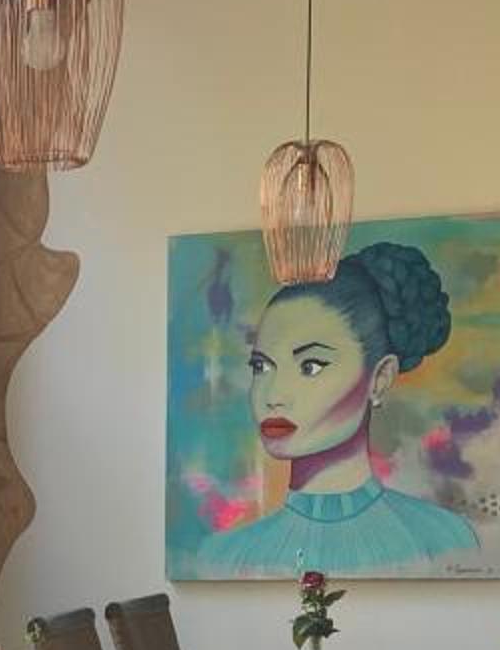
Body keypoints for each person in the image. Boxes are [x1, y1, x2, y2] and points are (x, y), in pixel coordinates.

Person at [204, 239, 480, 575]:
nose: (273, 395)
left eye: (310, 367)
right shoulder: (225, 556)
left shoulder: (444, 540)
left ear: (380, 378)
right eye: (261, 366)